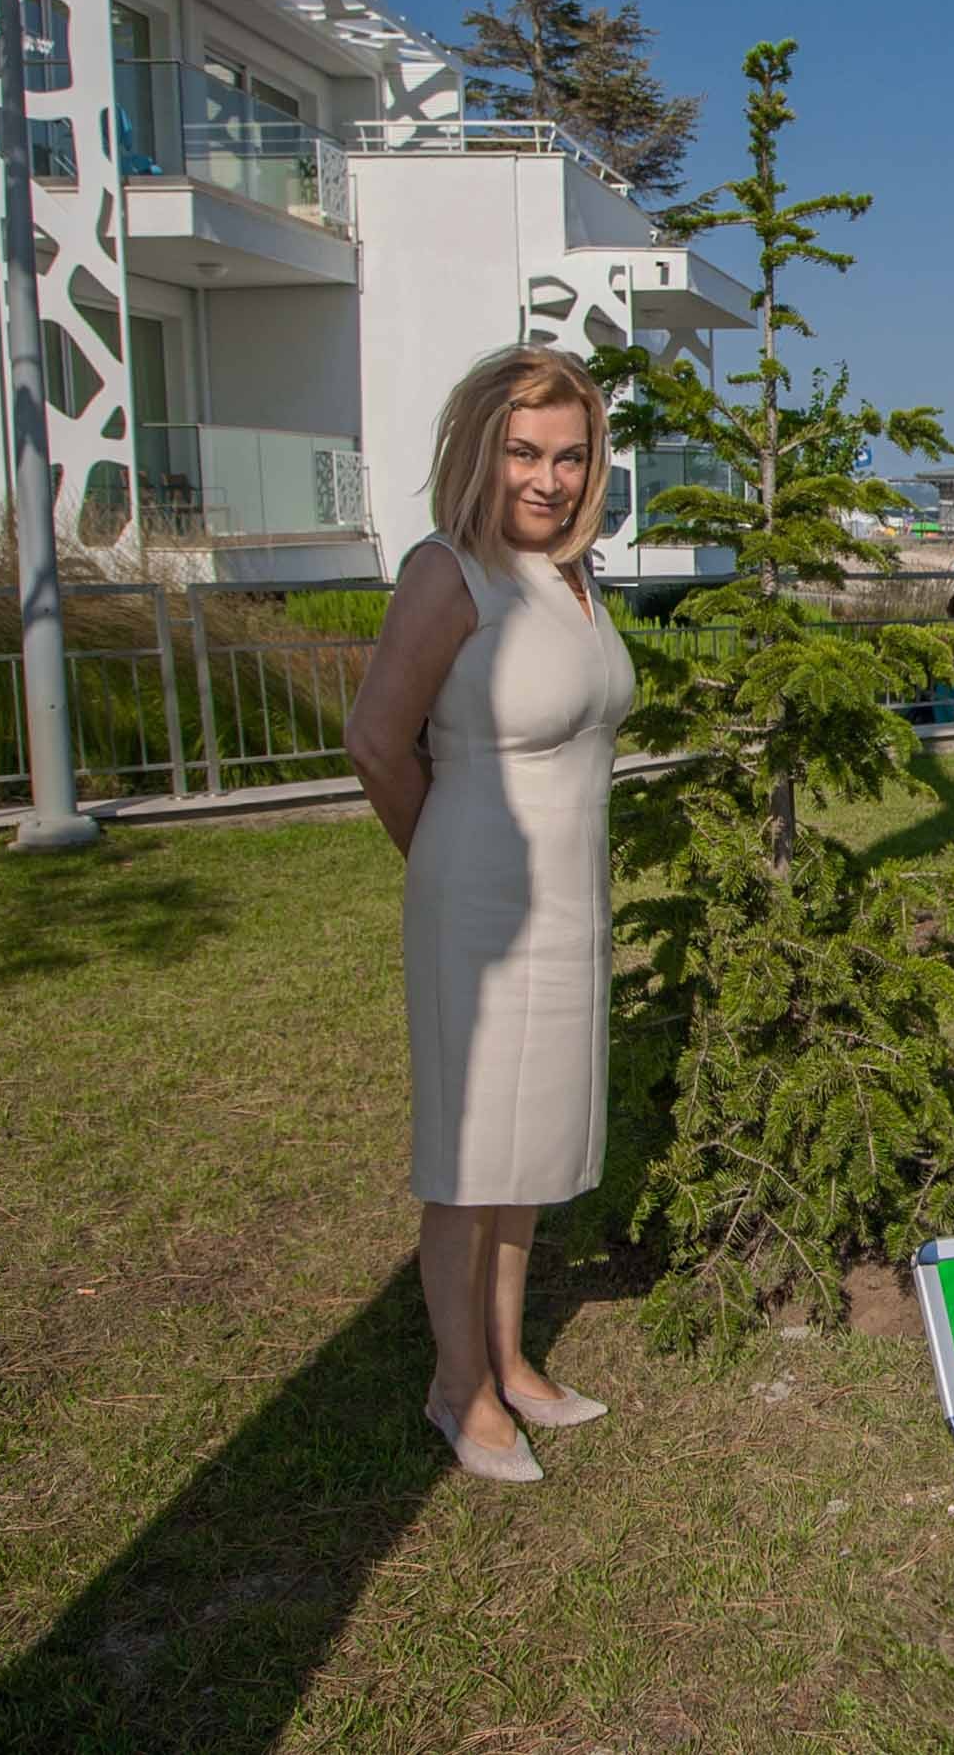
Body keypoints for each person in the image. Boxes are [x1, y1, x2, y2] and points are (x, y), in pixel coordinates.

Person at [346, 345, 640, 1485]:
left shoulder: (572, 577)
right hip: (475, 896)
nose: (548, 480)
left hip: (570, 895)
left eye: (569, 457)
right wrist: (445, 865)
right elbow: (376, 740)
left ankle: (512, 1363)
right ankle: (456, 1389)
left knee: (528, 1147)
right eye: (524, 452)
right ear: (480, 449)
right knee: (469, 1160)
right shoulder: (446, 572)